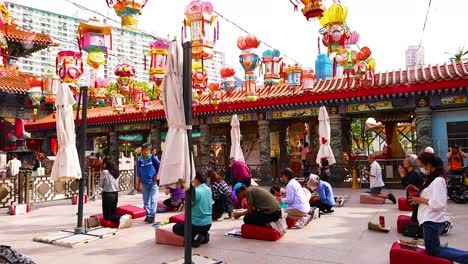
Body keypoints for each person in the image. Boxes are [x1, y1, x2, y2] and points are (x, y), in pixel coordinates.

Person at [408, 152, 468, 263]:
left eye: (421, 166)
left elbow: (437, 204)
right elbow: (430, 194)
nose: (420, 169)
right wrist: (418, 191)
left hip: (432, 221)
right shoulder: (431, 178)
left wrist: (419, 200)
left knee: (433, 250)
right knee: (435, 248)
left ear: (429, 164)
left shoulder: (438, 181)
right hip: (429, 220)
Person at [173, 172, 212, 248]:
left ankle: (196, 236)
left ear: (196, 179)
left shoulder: (196, 191)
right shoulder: (208, 189)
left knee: (176, 228)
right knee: (184, 224)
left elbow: (188, 205)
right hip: (208, 223)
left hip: (196, 224)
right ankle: (204, 235)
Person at [98, 159, 132, 229]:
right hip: (115, 194)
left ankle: (123, 217)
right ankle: (123, 217)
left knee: (107, 216)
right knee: (113, 213)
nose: (103, 165)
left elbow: (101, 185)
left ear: (106, 164)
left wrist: (101, 174)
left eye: (104, 163)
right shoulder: (116, 172)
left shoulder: (105, 172)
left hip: (107, 194)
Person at [136, 145, 160, 223]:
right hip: (144, 184)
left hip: (153, 183)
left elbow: (161, 167)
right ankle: (148, 214)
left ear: (149, 151)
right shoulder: (140, 160)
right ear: (142, 151)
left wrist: (156, 176)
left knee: (153, 199)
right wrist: (138, 184)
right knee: (146, 201)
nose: (146, 152)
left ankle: (152, 216)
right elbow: (138, 173)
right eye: (144, 151)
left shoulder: (153, 158)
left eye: (147, 151)